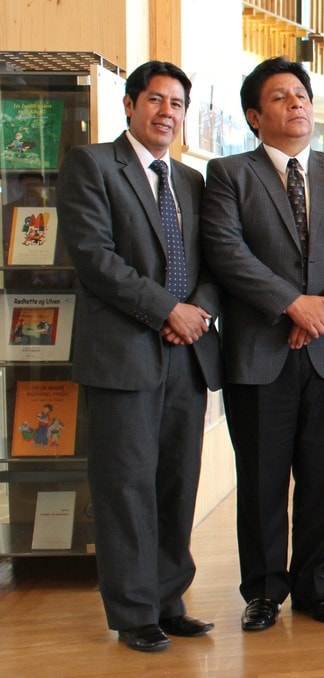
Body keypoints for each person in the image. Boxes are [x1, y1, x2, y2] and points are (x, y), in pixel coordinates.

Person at [200, 57, 324, 632]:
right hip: (261, 351)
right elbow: (228, 253)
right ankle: (263, 589)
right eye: (280, 97)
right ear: (256, 116)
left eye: (301, 94)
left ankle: (313, 583)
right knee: (261, 478)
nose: (297, 103)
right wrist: (292, 304)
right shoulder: (229, 174)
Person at [59, 60, 221, 652]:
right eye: (156, 100)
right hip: (123, 352)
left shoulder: (192, 182)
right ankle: (133, 612)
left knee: (177, 480)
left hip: (189, 354)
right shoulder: (93, 166)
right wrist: (166, 310)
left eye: (177, 104)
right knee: (125, 485)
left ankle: (169, 598)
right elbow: (96, 258)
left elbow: (213, 260)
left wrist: (197, 311)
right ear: (130, 105)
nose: (167, 113)